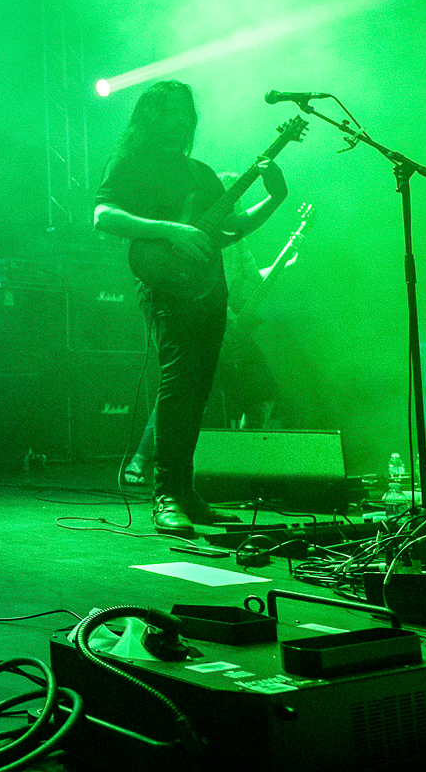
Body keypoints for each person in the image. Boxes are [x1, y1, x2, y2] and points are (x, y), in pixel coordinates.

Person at [93, 81, 289, 535]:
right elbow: (103, 216)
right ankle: (165, 496)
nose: (181, 118)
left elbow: (231, 228)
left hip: (211, 290)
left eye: (187, 111)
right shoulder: (131, 163)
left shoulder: (202, 173)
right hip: (165, 287)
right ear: (151, 114)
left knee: (199, 391)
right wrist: (170, 231)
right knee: (179, 384)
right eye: (171, 110)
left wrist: (274, 198)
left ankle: (185, 492)